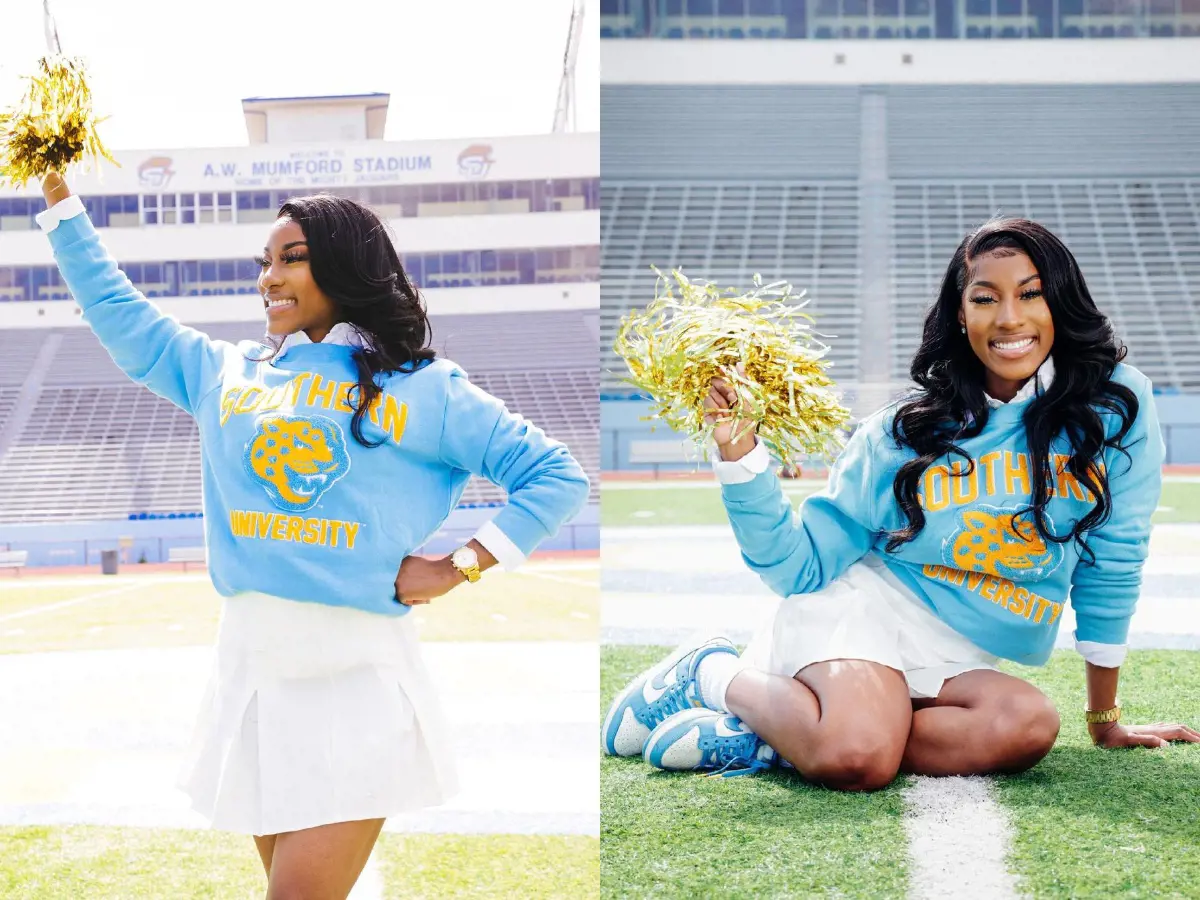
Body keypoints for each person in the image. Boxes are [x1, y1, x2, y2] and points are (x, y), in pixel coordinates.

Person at [37, 172, 590, 896]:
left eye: (290, 257)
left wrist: (460, 564)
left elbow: (556, 475)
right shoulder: (223, 371)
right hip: (252, 674)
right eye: (263, 262)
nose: (269, 277)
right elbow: (116, 311)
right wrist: (62, 208)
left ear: (344, 263)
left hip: (357, 677)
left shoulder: (425, 386)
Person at [603, 217, 1199, 788]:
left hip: (960, 656)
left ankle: (783, 734)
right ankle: (709, 674)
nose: (1010, 317)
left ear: (1059, 302)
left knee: (1029, 726)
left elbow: (1114, 559)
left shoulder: (1117, 406)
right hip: (863, 615)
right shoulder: (901, 434)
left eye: (1031, 293)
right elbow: (798, 567)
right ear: (960, 315)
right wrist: (740, 455)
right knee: (857, 759)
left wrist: (1104, 720)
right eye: (985, 298)